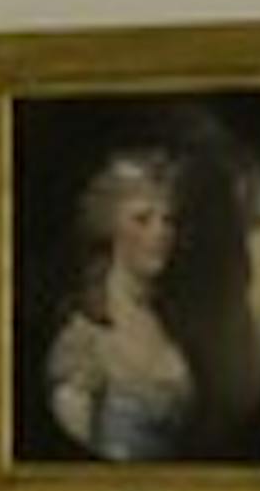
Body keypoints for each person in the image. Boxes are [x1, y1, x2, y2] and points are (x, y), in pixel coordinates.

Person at [47, 149, 194, 461]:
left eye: (168, 220)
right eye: (142, 220)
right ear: (110, 229)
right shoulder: (83, 340)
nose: (161, 233)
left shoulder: (170, 323)